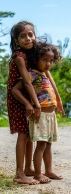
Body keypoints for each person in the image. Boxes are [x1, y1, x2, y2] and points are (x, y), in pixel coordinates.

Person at [7, 21, 64, 185]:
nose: (28, 38)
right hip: (19, 98)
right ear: (17, 40)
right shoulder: (19, 56)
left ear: (35, 35)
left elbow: (47, 74)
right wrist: (33, 104)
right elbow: (26, 82)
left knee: (31, 135)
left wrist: (58, 99)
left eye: (30, 34)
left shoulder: (34, 52)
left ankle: (29, 168)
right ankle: (20, 174)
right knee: (23, 135)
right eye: (23, 36)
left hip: (31, 97)